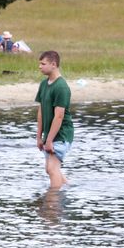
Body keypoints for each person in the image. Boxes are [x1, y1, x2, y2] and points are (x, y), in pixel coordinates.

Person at [36, 50, 74, 189]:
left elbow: (59, 116)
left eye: (43, 63)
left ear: (53, 64)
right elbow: (41, 111)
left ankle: (53, 205)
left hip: (62, 134)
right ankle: (68, 188)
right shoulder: (44, 84)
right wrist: (39, 137)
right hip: (50, 135)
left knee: (52, 169)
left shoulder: (61, 87)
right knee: (51, 169)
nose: (40, 66)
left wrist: (50, 140)